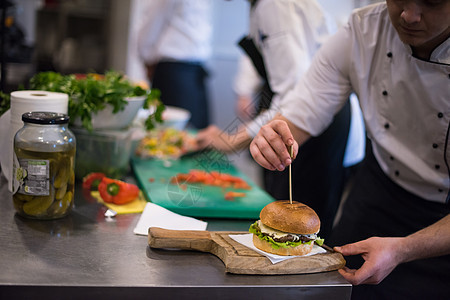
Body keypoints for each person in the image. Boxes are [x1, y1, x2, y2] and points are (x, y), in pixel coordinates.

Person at [249, 1, 450, 298]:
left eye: (430, 3)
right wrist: (273, 137)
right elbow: (305, 110)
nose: (409, 15)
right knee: (331, 291)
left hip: (443, 220)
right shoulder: (362, 29)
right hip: (380, 191)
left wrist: (404, 249)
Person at [197, 0, 365, 239]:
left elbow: (295, 94)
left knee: (298, 236)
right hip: (317, 121)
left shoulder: (275, 5)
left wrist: (234, 140)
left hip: (314, 131)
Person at [136, 0, 212, 129]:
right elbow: (151, 23)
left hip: (195, 70)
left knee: (198, 132)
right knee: (172, 132)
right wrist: (147, 58)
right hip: (173, 71)